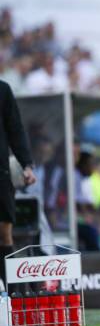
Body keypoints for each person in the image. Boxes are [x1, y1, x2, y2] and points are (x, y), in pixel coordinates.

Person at [0, 80, 36, 291]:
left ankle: (12, 296)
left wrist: (27, 164)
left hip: (1, 173)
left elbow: (15, 128)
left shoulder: (3, 90)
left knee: (4, 233)